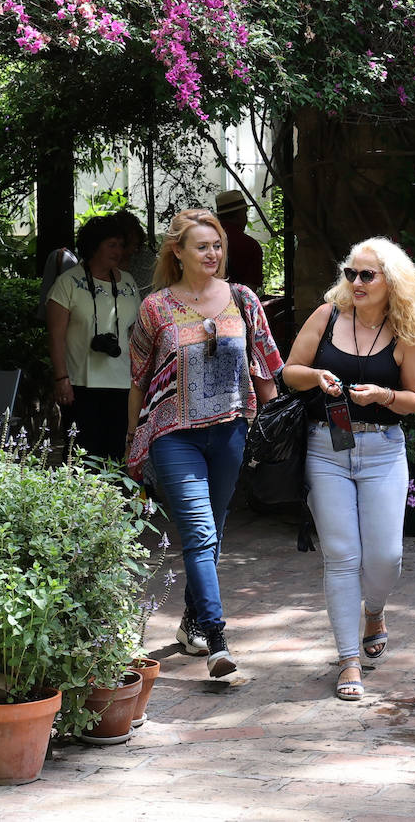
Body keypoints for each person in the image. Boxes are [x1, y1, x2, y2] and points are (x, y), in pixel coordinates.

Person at [126, 209, 283, 678]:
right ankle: (216, 638)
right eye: (202, 246)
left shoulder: (243, 300)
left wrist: (270, 427)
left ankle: (191, 622)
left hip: (231, 431)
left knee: (210, 536)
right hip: (173, 435)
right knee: (198, 533)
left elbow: (265, 366)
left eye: (217, 246)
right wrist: (131, 436)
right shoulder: (156, 307)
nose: (212, 253)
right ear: (178, 251)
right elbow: (138, 378)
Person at [281, 237, 415, 700]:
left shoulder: (407, 331)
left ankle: (376, 610)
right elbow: (289, 370)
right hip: (328, 448)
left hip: (383, 449)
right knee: (342, 557)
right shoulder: (327, 316)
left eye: (368, 274)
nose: (356, 282)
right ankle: (348, 660)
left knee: (385, 556)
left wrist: (383, 396)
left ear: (393, 282)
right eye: (351, 273)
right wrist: (316, 377)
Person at [46, 215, 143, 461]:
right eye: (112, 245)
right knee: (84, 456)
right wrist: (61, 378)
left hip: (122, 383)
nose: (119, 251)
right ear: (93, 246)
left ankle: (115, 500)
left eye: (121, 245)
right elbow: (56, 336)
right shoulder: (68, 283)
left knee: (117, 455)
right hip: (81, 384)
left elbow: (136, 332)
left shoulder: (128, 282)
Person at [215, 189, 265, 292]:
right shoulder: (250, 246)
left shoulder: (201, 242)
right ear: (240, 215)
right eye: (245, 213)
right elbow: (249, 292)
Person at [115, 209, 157, 291]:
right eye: (131, 244)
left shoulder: (144, 258)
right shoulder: (100, 263)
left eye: (136, 245)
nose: (134, 250)